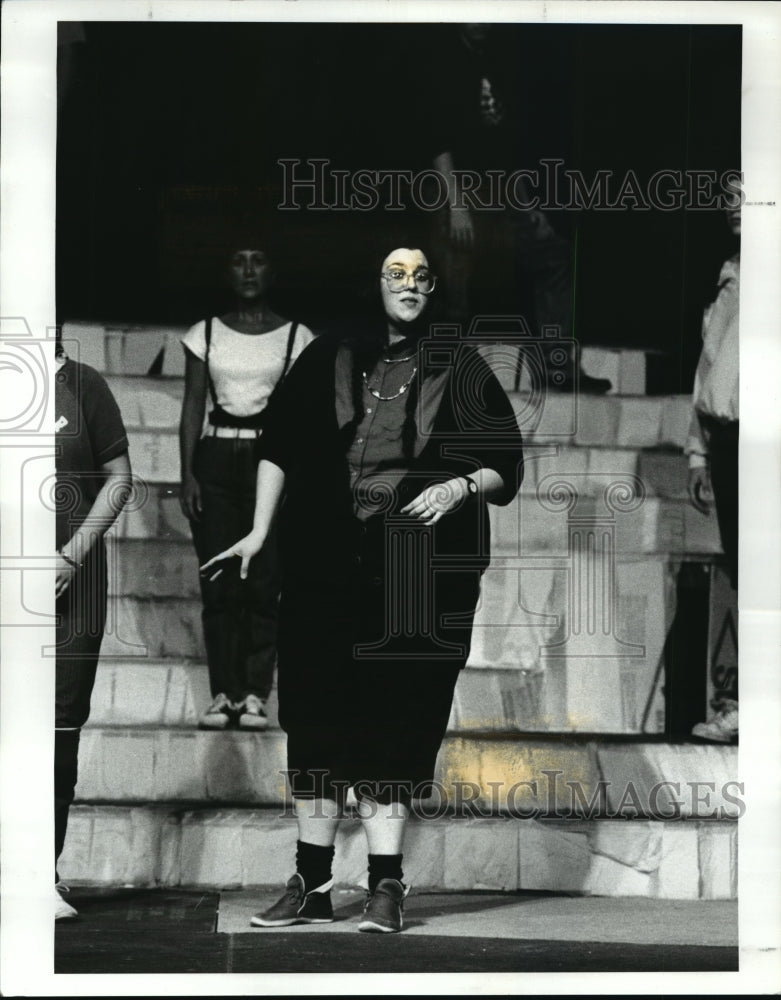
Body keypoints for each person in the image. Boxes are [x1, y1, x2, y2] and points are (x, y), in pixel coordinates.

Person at [201, 245, 524, 933]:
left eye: (420, 277)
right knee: (315, 720)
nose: (409, 286)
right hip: (325, 563)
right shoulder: (328, 357)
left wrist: (459, 484)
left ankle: (385, 884)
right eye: (395, 275)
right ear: (374, 284)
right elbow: (280, 445)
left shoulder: (459, 366)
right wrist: (259, 532)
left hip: (416, 574)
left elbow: (504, 466)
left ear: (433, 288)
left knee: (397, 718)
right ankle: (310, 883)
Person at [426, 23, 610, 393]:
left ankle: (557, 368)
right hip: (456, 183)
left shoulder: (503, 56)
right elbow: (436, 136)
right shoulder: (442, 59)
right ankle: (441, 377)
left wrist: (529, 203)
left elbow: (516, 142)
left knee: (552, 254)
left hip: (506, 185)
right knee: (457, 267)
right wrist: (456, 202)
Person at [179, 239, 315, 730]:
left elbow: (303, 415)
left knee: (264, 579)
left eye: (259, 260)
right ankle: (223, 693)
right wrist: (187, 472)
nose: (249, 270)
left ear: (272, 272)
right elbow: (193, 405)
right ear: (227, 272)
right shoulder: (206, 333)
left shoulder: (297, 336)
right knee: (218, 578)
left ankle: (255, 693)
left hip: (270, 457)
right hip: (216, 457)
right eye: (238, 260)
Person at [54, 342, 132, 919]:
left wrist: (72, 554)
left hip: (70, 581)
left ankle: (42, 870)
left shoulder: (85, 384)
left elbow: (119, 479)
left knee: (58, 725)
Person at [685, 205, 740, 742]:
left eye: (745, 193)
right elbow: (710, 365)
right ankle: (746, 703)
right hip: (728, 439)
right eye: (729, 194)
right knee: (745, 570)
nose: (733, 204)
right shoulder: (732, 274)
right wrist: (698, 452)